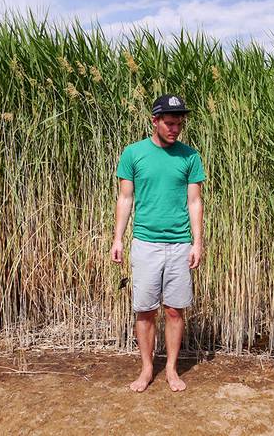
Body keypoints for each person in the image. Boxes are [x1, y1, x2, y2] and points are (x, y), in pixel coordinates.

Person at [110, 94, 205, 393]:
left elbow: (195, 202)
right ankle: (147, 368)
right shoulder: (133, 154)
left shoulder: (190, 156)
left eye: (179, 123)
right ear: (154, 121)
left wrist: (197, 243)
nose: (175, 129)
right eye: (169, 123)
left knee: (175, 309)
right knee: (145, 310)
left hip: (179, 244)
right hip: (145, 244)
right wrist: (118, 239)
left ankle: (172, 369)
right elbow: (125, 198)